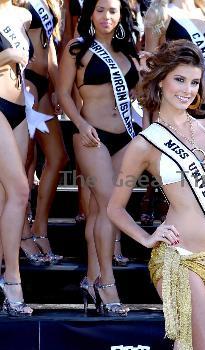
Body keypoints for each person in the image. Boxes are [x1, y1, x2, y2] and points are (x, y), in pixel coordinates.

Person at [108, 39, 205, 349]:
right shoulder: (145, 144)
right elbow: (114, 209)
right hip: (177, 258)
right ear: (161, 81)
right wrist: (147, 238)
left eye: (194, 82)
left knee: (187, 346)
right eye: (179, 79)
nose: (188, 89)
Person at [58, 0, 140, 315]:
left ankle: (90, 278)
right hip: (90, 136)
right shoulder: (76, 50)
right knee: (108, 206)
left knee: (98, 211)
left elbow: (136, 94)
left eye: (113, 11)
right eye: (101, 9)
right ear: (91, 13)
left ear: (122, 16)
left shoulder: (128, 51)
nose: (107, 16)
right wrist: (81, 124)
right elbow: (64, 93)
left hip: (125, 136)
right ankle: (107, 283)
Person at [18, 0, 68, 265]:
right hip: (23, 79)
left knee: (58, 156)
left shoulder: (50, 2)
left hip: (44, 83)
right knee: (25, 160)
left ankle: (39, 227)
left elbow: (49, 46)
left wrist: (58, 86)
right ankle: (23, 233)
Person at [0, 0, 34, 316]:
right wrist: (6, 56)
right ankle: (12, 277)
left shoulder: (22, 15)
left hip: (19, 109)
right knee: (21, 191)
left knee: (6, 197)